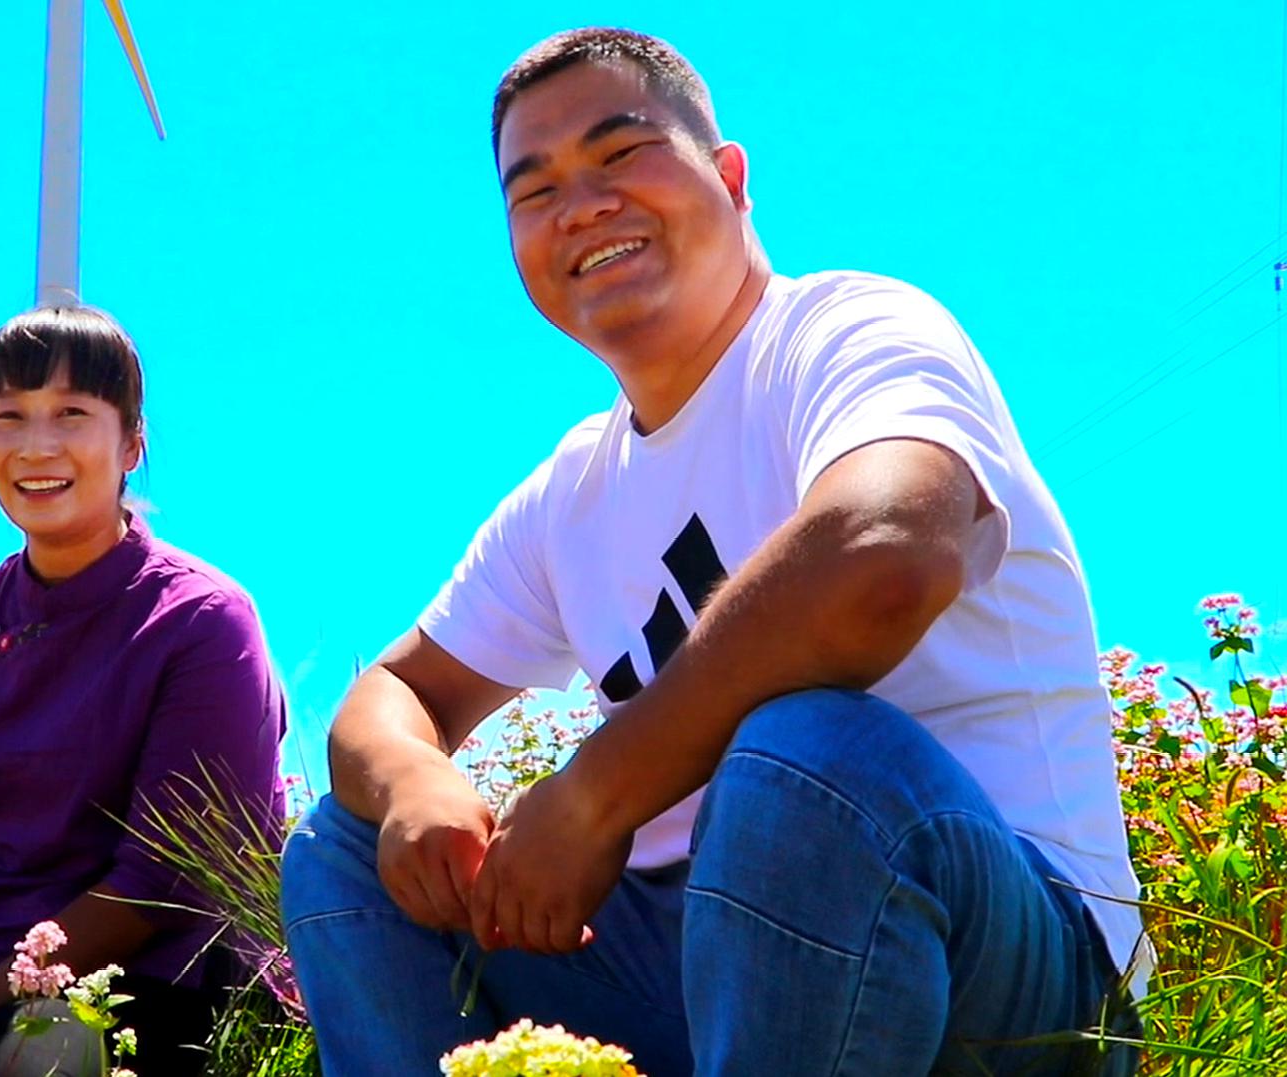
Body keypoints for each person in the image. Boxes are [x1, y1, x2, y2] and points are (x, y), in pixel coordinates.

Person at [280, 27, 1144, 1076]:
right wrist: (416, 782)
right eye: (535, 188)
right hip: (702, 973)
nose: (583, 203)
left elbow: (886, 556)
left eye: (620, 153)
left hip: (1012, 973)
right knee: (345, 849)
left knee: (809, 756)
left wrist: (595, 793)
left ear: (730, 178)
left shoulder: (849, 330)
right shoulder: (571, 491)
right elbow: (391, 693)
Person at [0, 306, 287, 1076]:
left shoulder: (203, 621)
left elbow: (160, 887)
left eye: (72, 414)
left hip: (144, 998)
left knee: (46, 1047)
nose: (37, 446)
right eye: (9, 417)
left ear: (132, 444)